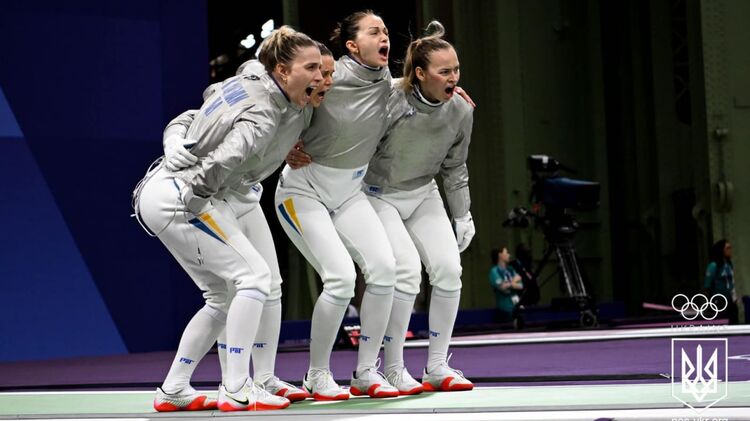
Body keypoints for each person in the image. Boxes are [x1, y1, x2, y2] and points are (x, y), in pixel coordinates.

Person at [132, 26, 322, 412]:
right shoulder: (263, 114)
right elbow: (220, 163)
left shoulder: (252, 75)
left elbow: (201, 111)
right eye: (311, 68)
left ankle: (173, 388)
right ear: (282, 71)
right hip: (185, 194)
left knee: (221, 296)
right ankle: (236, 387)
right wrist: (194, 202)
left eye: (321, 68)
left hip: (173, 190)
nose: (319, 76)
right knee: (253, 277)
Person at [274, 10, 400, 400]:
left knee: (385, 270)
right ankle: (317, 374)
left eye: (386, 31)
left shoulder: (387, 81)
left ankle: (366, 372)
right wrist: (283, 148)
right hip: (303, 190)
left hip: (349, 192)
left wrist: (446, 94)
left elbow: (412, 87)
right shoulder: (327, 76)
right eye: (374, 32)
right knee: (342, 279)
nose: (384, 37)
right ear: (351, 45)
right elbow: (281, 100)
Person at [359, 21, 475, 394]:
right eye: (444, 72)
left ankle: (437, 366)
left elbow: (455, 166)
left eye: (456, 70)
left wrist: (463, 213)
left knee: (449, 270)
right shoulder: (389, 98)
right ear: (421, 73)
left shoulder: (461, 109)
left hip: (423, 192)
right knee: (406, 271)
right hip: (378, 193)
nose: (453, 78)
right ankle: (392, 368)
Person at [704, 239, 739, 324]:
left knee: (734, 322)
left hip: (730, 301)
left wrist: (734, 297)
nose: (730, 250)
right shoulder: (713, 266)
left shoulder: (729, 265)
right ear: (721, 250)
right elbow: (707, 286)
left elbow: (731, 282)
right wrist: (709, 304)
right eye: (727, 248)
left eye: (730, 248)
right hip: (719, 301)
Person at [489, 247, 523, 323]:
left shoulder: (511, 269)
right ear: (500, 255)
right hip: (505, 310)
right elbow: (502, 287)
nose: (508, 255)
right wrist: (514, 281)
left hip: (517, 307)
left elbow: (521, 285)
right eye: (506, 252)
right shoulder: (494, 271)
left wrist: (509, 284)